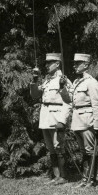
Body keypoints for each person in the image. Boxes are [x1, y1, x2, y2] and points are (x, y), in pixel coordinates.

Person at [30, 53, 71, 185]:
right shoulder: (47, 80)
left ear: (57, 64)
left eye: (50, 63)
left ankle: (63, 176)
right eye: (46, 63)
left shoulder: (63, 79)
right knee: (51, 148)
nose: (46, 65)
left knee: (59, 146)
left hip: (57, 116)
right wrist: (34, 81)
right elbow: (35, 95)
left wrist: (62, 120)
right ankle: (56, 176)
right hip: (46, 117)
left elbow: (69, 101)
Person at [69, 53, 98, 187]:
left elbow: (97, 104)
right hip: (77, 119)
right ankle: (85, 178)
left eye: (78, 63)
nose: (75, 66)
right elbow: (71, 101)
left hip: (88, 119)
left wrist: (97, 124)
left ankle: (91, 179)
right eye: (75, 63)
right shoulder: (76, 82)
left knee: (90, 151)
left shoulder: (91, 82)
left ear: (86, 65)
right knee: (83, 151)